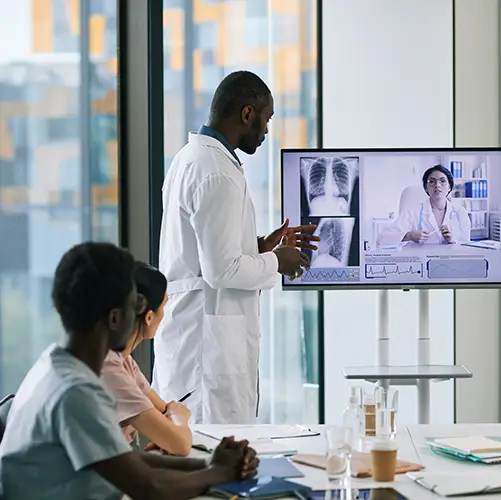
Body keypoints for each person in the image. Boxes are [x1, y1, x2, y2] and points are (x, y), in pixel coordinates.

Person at [0, 242, 258, 499]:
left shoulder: (54, 366)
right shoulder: (77, 391)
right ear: (115, 318)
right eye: (135, 302)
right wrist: (220, 473)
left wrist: (211, 464)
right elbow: (150, 488)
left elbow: (126, 460)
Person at [154, 70, 319, 425]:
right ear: (247, 114)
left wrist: (260, 246)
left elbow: (202, 252)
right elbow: (221, 270)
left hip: (194, 339)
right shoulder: (217, 172)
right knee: (211, 459)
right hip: (206, 353)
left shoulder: (190, 159)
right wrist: (277, 262)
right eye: (266, 119)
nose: (266, 131)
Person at [100, 261, 194, 455]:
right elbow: (181, 444)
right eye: (163, 306)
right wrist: (179, 418)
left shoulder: (122, 361)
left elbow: (162, 409)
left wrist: (169, 425)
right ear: (149, 317)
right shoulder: (108, 368)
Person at [376, 164, 471, 247]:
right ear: (426, 187)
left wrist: (452, 240)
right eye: (432, 181)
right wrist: (409, 235)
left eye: (442, 181)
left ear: (449, 187)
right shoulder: (413, 212)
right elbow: (382, 239)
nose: (437, 185)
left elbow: (468, 246)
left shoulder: (460, 213)